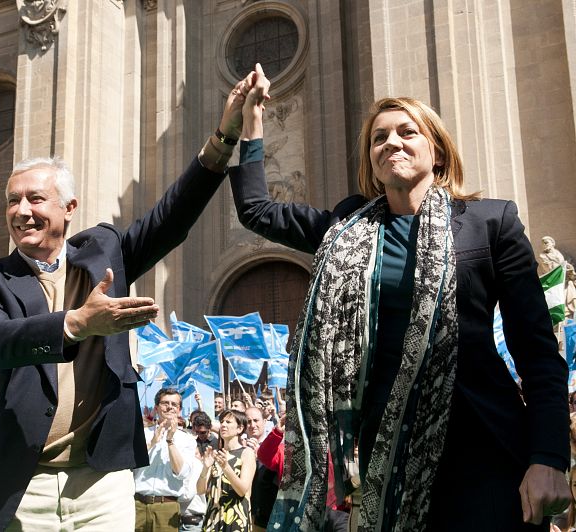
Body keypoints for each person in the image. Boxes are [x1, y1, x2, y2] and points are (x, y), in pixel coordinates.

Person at [230, 64, 570, 530]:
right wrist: (249, 123)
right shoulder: (348, 229)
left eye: (407, 132)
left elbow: (536, 352)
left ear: (438, 152)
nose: (391, 142)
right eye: (378, 138)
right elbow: (256, 210)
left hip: (484, 456)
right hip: (381, 466)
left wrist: (549, 456)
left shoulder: (491, 224)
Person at [0, 71, 254, 531]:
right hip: (21, 483)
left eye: (35, 198)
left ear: (69, 209)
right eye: (13, 201)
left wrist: (224, 138)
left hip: (102, 481)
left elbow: (169, 220)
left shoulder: (104, 251)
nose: (21, 211)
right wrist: (75, 324)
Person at [134, 388, 198, 531]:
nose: (169, 407)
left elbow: (182, 473)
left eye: (174, 404)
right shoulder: (142, 434)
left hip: (167, 507)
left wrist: (170, 441)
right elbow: (131, 465)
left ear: (179, 410)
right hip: (138, 504)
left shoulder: (187, 439)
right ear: (156, 408)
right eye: (165, 403)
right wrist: (152, 443)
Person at [197, 409, 256, 532]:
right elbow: (200, 490)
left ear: (240, 429)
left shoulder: (246, 453)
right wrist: (205, 468)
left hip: (235, 518)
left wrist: (226, 467)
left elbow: (242, 490)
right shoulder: (215, 454)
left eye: (228, 422)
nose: (223, 424)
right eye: (222, 421)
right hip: (213, 518)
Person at [243, 407, 276, 531]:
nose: (252, 425)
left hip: (268, 515)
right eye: (248, 421)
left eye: (256, 420)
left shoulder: (275, 446)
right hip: (245, 513)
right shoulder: (239, 447)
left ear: (265, 422)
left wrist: (261, 456)